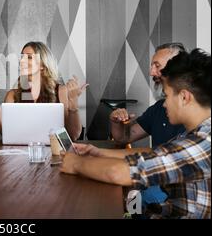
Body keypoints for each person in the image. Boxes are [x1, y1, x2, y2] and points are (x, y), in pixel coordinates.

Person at [60, 49, 211, 218]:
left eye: (167, 96)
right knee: (130, 198)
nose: (164, 104)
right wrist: (99, 152)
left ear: (184, 97)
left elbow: (118, 172)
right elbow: (153, 153)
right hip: (168, 208)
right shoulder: (196, 134)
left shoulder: (205, 141)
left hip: (165, 204)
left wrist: (74, 163)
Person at [109, 43, 186, 206]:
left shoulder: (199, 119)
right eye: (152, 66)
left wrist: (90, 159)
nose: (151, 72)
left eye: (157, 66)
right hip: (154, 181)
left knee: (126, 200)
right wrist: (115, 121)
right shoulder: (159, 109)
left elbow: (158, 157)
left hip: (173, 193)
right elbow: (124, 137)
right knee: (127, 200)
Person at [0, 41, 87, 139]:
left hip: (55, 153)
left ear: (42, 65)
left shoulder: (61, 91)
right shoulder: (12, 95)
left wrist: (73, 102)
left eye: (29, 57)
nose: (22, 61)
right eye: (22, 57)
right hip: (23, 154)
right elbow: (5, 133)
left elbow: (73, 135)